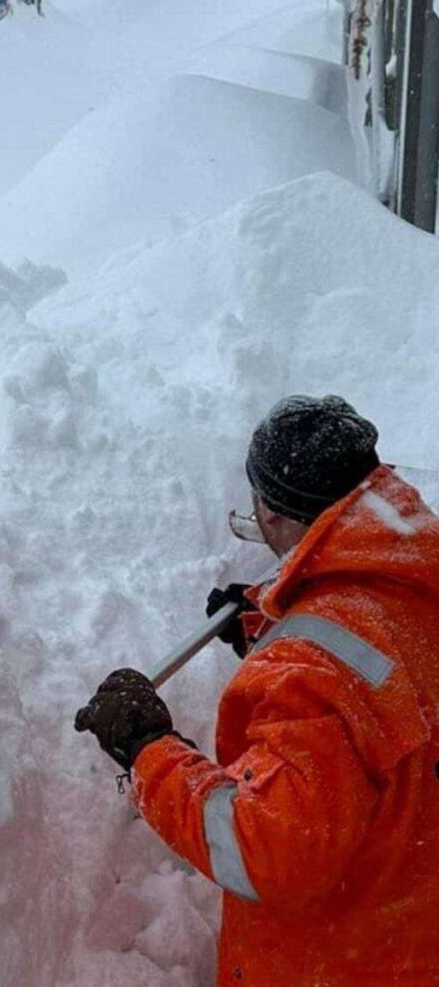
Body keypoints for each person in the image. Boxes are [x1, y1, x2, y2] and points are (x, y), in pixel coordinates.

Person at [75, 394, 439, 985]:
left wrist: (148, 750)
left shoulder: (313, 672)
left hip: (345, 962)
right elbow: (388, 683)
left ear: (271, 512)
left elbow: (264, 850)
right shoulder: (417, 578)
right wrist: (276, 619)